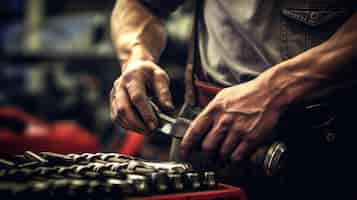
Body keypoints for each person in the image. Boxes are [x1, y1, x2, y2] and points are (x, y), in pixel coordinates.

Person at [110, 0, 356, 197]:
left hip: (328, 150)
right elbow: (141, 4)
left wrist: (276, 89)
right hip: (205, 145)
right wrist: (136, 56)